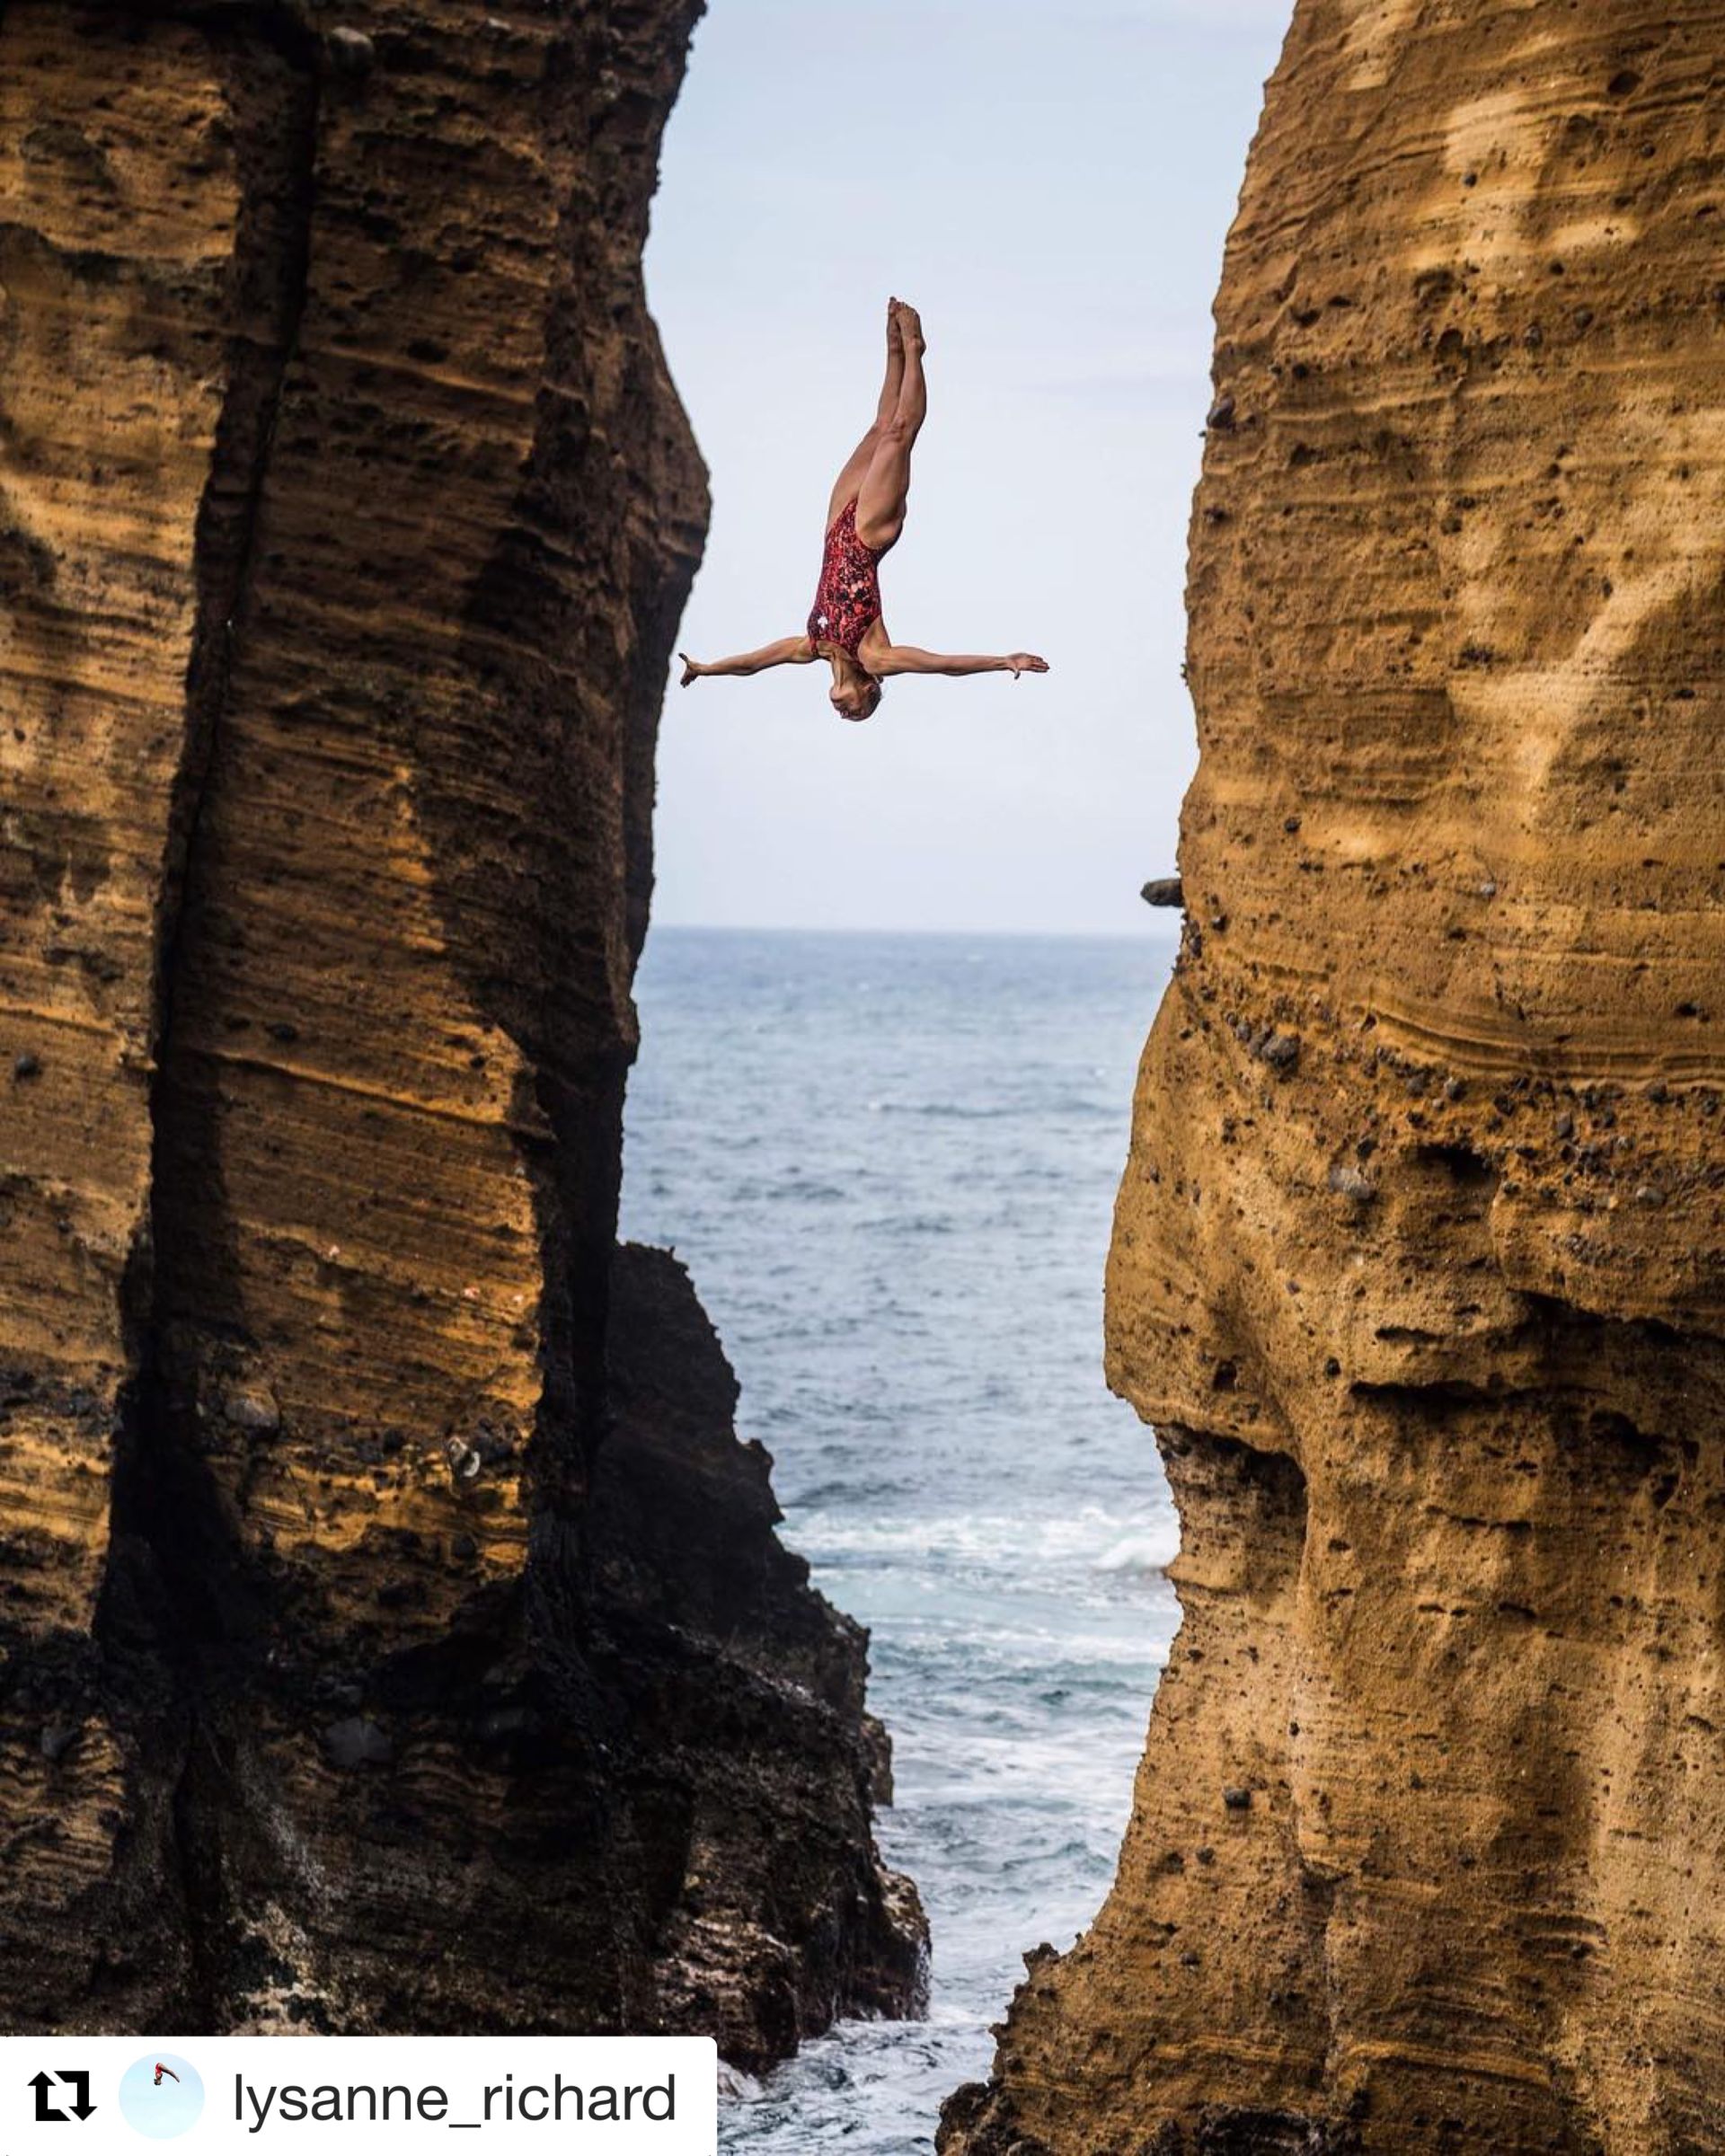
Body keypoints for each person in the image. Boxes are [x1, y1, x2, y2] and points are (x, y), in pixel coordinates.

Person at [677, 300, 1049, 722]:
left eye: (843, 716)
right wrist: (1003, 661)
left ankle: (893, 346)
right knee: (897, 435)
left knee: (877, 428)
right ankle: (914, 348)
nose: (843, 712)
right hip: (869, 535)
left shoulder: (812, 646)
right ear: (869, 689)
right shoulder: (874, 658)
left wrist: (706, 669)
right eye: (856, 712)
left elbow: (754, 663)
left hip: (837, 525)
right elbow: (939, 664)